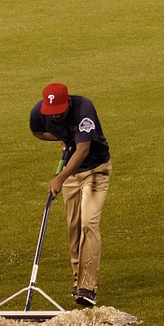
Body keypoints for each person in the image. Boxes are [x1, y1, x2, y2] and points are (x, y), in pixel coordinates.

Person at [29, 82, 112, 307]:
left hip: (96, 170)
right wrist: (62, 138)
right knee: (74, 227)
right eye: (51, 113)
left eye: (59, 113)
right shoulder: (39, 112)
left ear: (68, 103)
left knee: (89, 223)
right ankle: (77, 283)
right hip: (70, 176)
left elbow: (83, 150)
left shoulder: (84, 109)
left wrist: (60, 178)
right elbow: (37, 130)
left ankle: (88, 286)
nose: (55, 117)